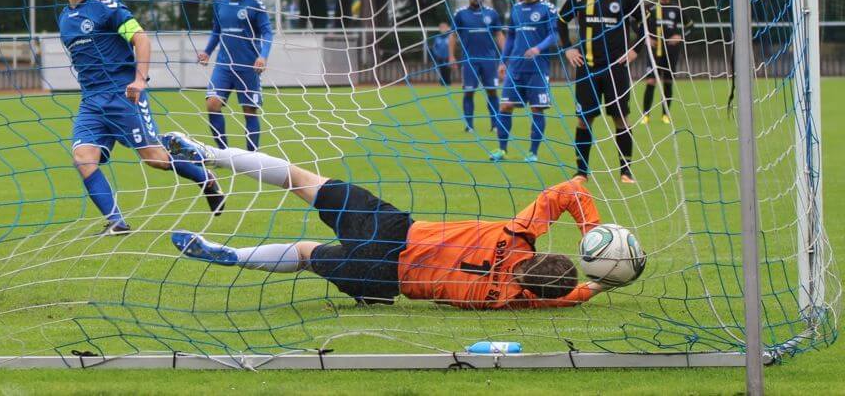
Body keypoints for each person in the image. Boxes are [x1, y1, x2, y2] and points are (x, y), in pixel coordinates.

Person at [161, 132, 618, 309]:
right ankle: (230, 256)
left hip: (394, 229)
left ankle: (211, 155)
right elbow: (566, 300)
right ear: (531, 290)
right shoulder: (506, 299)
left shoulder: (515, 234)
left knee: (303, 180)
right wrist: (599, 286)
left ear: (542, 253)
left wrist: (592, 231)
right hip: (386, 278)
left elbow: (571, 189)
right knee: (304, 254)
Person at [59, 0, 224, 235]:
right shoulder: (65, 18)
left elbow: (141, 38)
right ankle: (117, 222)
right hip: (91, 103)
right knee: (83, 159)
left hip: (124, 96)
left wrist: (140, 79)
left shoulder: (105, 5)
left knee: (155, 159)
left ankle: (204, 177)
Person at [558, 0, 643, 184]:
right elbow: (561, 21)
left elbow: (645, 25)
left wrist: (635, 50)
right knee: (584, 119)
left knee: (621, 118)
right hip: (587, 68)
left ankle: (625, 172)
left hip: (615, 69)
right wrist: (568, 47)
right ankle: (581, 172)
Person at [197, 0, 273, 151]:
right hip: (224, 66)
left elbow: (268, 33)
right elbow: (216, 32)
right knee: (212, 104)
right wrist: (207, 51)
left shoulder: (254, 4)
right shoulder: (220, 3)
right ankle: (223, 152)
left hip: (248, 67)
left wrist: (263, 56)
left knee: (249, 111)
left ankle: (252, 156)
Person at [496, 0, 559, 162]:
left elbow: (554, 34)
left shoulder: (547, 8)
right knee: (505, 106)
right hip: (515, 68)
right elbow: (510, 37)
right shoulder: (515, 9)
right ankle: (502, 150)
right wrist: (502, 61)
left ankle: (533, 152)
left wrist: (538, 48)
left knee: (537, 109)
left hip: (538, 69)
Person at [449, 0, 504, 134]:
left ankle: (495, 124)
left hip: (489, 60)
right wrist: (451, 56)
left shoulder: (492, 14)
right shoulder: (460, 14)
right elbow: (453, 35)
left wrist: (504, 57)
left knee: (492, 91)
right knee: (469, 92)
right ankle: (469, 126)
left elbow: (499, 35)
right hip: (469, 61)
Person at [642, 0, 685, 126]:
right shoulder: (650, 8)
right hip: (654, 51)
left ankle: (665, 115)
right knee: (651, 82)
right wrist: (646, 37)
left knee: (667, 82)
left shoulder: (676, 8)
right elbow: (637, 24)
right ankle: (646, 115)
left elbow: (690, 25)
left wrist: (679, 35)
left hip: (671, 51)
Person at [428, 22, 452, 87]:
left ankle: (448, 82)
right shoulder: (437, 38)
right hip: (440, 57)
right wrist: (437, 54)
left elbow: (452, 46)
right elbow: (434, 47)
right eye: (442, 28)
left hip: (448, 57)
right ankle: (442, 83)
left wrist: (451, 55)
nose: (443, 29)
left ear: (447, 28)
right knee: (442, 69)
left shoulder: (450, 37)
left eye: (444, 27)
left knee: (448, 70)